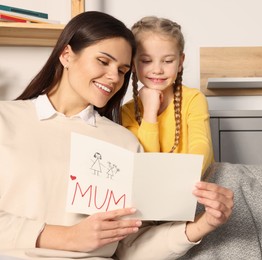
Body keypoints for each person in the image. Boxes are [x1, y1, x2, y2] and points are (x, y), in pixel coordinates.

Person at [0, 11, 233, 260]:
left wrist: (203, 224)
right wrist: (68, 237)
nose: (114, 78)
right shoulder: (6, 118)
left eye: (122, 70)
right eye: (103, 61)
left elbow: (130, 246)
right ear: (67, 55)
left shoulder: (124, 141)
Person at [121, 16, 214, 173]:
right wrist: (150, 112)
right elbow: (147, 162)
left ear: (180, 62)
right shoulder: (127, 112)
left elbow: (201, 145)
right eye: (146, 61)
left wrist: (183, 179)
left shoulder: (193, 100)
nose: (157, 69)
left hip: (193, 184)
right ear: (133, 64)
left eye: (168, 61)